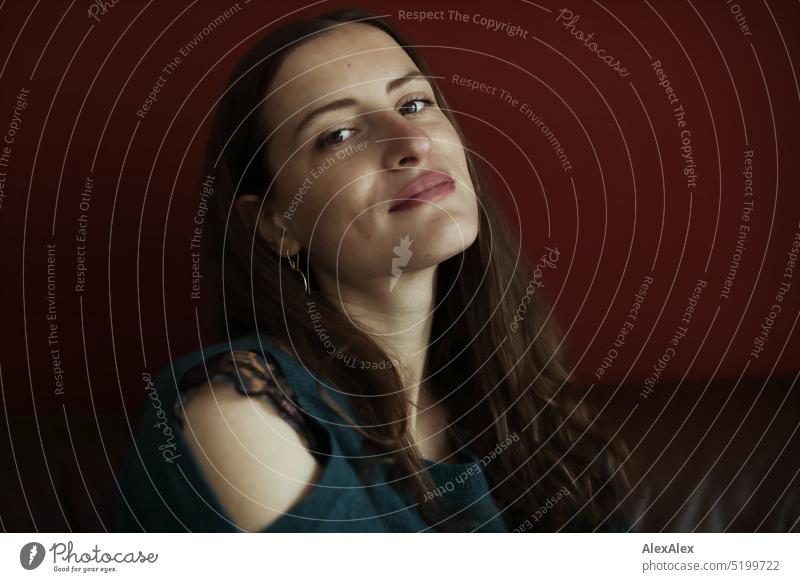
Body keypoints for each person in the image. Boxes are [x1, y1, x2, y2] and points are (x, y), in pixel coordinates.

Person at [113, 8, 630, 533]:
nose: (411, 142)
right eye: (338, 135)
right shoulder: (243, 420)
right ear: (273, 222)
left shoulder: (514, 400)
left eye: (414, 103)